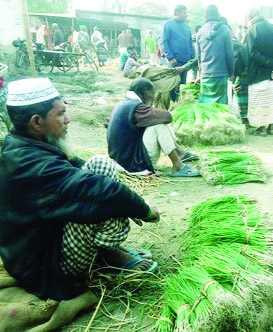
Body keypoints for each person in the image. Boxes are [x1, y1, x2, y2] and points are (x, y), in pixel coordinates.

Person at [0, 78, 160, 301]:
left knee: (100, 165)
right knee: (106, 204)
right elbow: (98, 190)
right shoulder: (35, 166)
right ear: (37, 122)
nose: (67, 119)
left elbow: (81, 170)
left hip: (43, 239)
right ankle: (108, 256)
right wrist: (143, 210)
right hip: (45, 268)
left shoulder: (21, 143)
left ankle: (106, 252)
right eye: (59, 114)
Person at [107, 78, 201, 177]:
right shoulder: (136, 107)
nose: (154, 99)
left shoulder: (124, 103)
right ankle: (178, 166)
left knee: (156, 120)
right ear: (146, 94)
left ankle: (180, 153)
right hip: (133, 163)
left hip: (124, 158)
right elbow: (167, 116)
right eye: (153, 94)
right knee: (159, 124)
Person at [244, 8, 273, 135]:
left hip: (257, 72)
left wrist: (267, 62)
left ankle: (261, 128)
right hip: (272, 72)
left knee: (258, 100)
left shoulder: (252, 30)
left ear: (250, 17)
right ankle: (270, 127)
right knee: (269, 99)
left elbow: (252, 53)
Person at [195, 5, 234, 104]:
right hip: (221, 73)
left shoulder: (200, 32)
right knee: (220, 105)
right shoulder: (225, 30)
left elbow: (199, 57)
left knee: (206, 106)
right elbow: (229, 53)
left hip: (205, 74)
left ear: (206, 15)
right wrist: (231, 73)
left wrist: (200, 74)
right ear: (218, 14)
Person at [162, 4, 195, 101]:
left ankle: (180, 103)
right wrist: (170, 57)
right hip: (175, 61)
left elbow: (190, 44)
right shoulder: (168, 24)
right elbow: (164, 42)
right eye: (184, 13)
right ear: (177, 13)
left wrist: (192, 59)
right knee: (173, 85)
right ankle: (172, 104)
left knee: (182, 85)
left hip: (186, 62)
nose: (186, 15)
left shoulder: (186, 27)